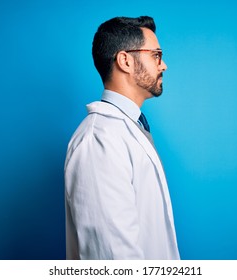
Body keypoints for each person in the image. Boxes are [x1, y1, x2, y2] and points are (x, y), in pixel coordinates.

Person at [64, 16, 180, 260]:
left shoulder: (128, 128)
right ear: (125, 60)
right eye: (156, 55)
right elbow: (111, 257)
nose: (164, 65)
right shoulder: (99, 140)